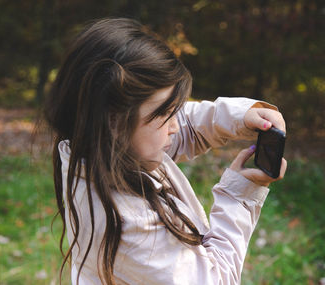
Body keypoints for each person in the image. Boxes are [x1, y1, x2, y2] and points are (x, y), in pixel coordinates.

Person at [44, 18, 287, 285]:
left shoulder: (97, 149)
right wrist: (240, 195)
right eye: (165, 113)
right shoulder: (131, 227)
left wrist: (242, 117)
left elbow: (184, 124)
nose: (175, 125)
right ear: (113, 121)